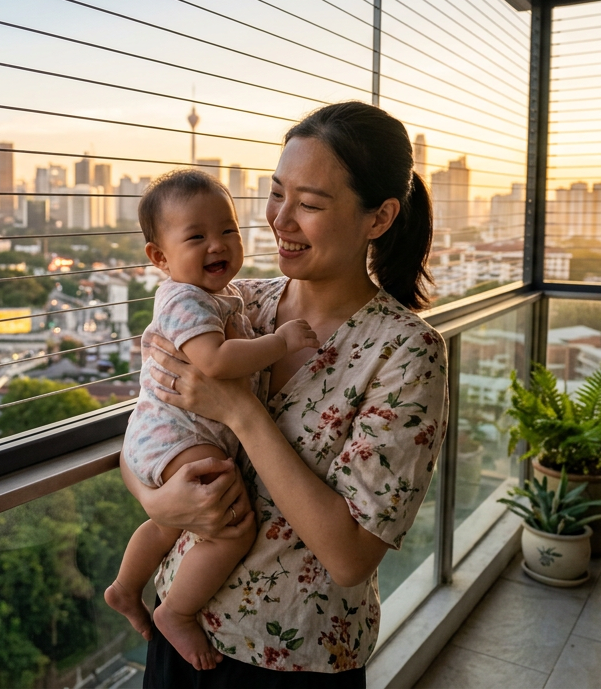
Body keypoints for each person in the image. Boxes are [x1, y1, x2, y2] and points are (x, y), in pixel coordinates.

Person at [124, 102, 448, 686]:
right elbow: (149, 425)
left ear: (378, 219)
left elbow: (350, 557)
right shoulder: (233, 302)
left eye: (311, 204)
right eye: (277, 194)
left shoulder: (404, 352)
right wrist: (156, 503)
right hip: (182, 635)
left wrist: (242, 413)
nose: (281, 219)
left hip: (298, 661)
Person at [105, 169, 321, 670]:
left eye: (227, 231)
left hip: (165, 435)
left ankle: (124, 587)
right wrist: (282, 343)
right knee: (231, 527)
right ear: (159, 257)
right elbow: (217, 364)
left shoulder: (226, 297)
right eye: (196, 236)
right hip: (177, 434)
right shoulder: (185, 300)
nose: (217, 244)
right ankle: (176, 613)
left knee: (166, 521)